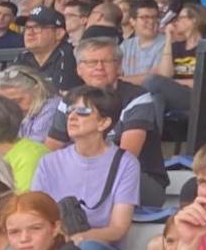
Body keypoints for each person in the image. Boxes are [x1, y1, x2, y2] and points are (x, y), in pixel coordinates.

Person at [29, 84, 140, 250]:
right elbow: (34, 213)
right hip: (55, 244)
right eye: (70, 110)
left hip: (102, 249)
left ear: (104, 123)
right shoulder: (49, 161)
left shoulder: (125, 162)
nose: (71, 117)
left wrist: (79, 238)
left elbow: (118, 229)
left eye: (83, 112)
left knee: (87, 249)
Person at [46, 38, 167, 207]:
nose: (99, 67)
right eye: (91, 62)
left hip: (141, 179)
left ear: (119, 67)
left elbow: (126, 157)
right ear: (79, 69)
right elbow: (50, 149)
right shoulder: (69, 100)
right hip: (85, 175)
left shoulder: (137, 97)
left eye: (107, 61)